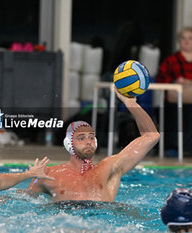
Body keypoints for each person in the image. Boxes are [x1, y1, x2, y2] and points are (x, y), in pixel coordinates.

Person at [25, 90, 160, 202]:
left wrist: (130, 103)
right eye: (81, 138)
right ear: (68, 144)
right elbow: (23, 200)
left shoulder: (109, 167)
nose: (88, 141)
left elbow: (151, 136)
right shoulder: (48, 175)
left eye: (91, 137)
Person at [156, 27, 192, 155]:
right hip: (175, 100)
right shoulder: (171, 60)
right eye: (183, 38)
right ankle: (173, 147)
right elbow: (160, 79)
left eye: (190, 38)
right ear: (179, 41)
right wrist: (174, 83)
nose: (187, 41)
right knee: (173, 114)